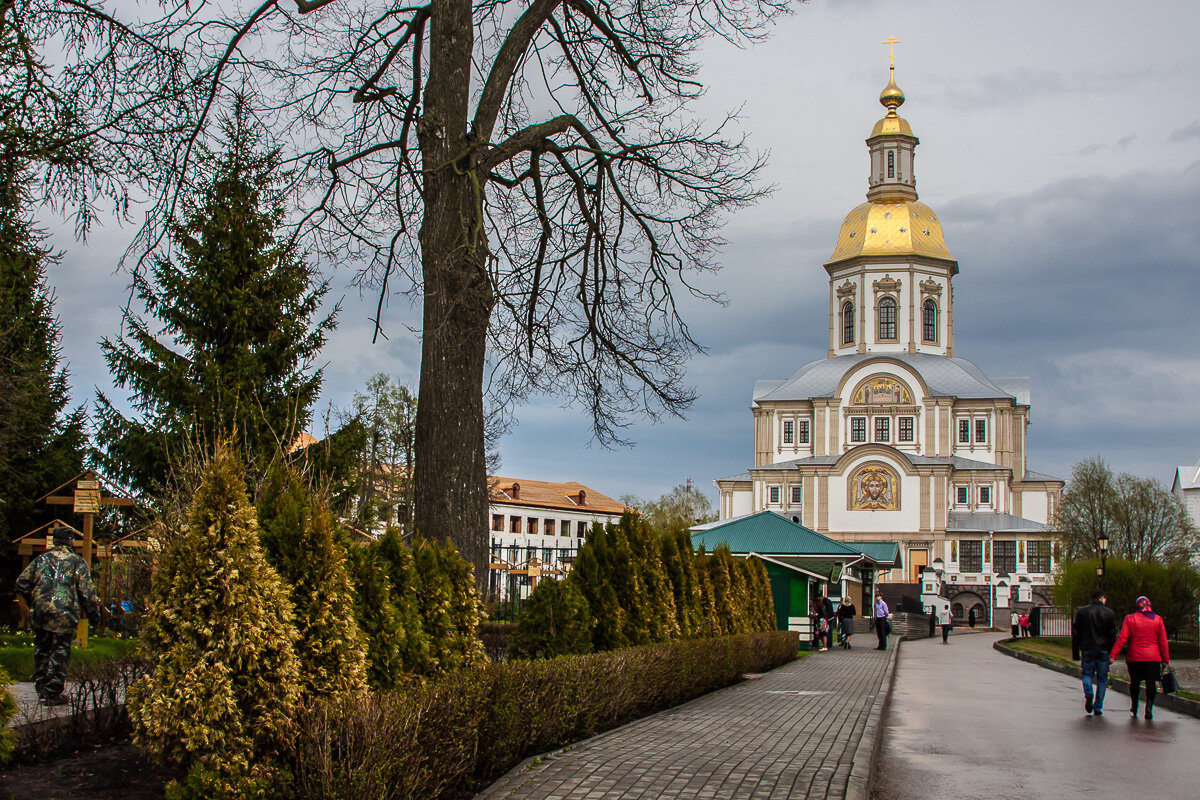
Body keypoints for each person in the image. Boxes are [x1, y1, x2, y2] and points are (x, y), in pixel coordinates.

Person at [15, 526, 101, 706]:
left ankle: (42, 687)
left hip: (42, 612)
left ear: (54, 541)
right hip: (65, 614)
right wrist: (94, 616)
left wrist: (35, 601)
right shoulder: (77, 562)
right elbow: (87, 592)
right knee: (60, 651)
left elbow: (21, 582)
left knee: (42, 649)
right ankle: (53, 692)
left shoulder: (41, 560)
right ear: (71, 541)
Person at [1111, 595, 1170, 721]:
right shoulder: (1158, 620)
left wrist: (1113, 655)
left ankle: (1134, 706)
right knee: (1151, 683)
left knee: (1135, 682)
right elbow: (1163, 642)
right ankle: (1149, 708)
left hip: (1135, 658)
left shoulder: (1130, 619)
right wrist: (1166, 659)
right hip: (1153, 658)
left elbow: (1122, 638)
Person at [1071, 589, 1117, 716]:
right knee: (1102, 679)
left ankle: (1088, 693)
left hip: (1087, 648)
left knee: (1087, 674)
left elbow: (1076, 634)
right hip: (1103, 650)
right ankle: (1098, 707)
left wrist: (1075, 652)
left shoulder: (1082, 612)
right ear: (1102, 598)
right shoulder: (1109, 613)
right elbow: (1112, 635)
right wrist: (1112, 653)